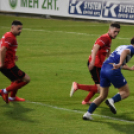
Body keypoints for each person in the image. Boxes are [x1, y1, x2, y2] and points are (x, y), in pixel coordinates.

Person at [83, 37, 134, 120]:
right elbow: (124, 54)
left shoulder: (122, 46)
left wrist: (129, 68)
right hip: (113, 70)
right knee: (125, 92)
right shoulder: (131, 48)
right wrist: (120, 63)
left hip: (104, 68)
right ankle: (112, 101)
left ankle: (87, 114)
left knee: (103, 95)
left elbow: (117, 59)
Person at [70, 23, 120, 105]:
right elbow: (96, 47)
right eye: (115, 31)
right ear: (109, 30)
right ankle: (77, 86)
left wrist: (112, 61)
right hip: (95, 65)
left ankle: (86, 101)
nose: (116, 34)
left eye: (118, 32)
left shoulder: (109, 39)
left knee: (99, 85)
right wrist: (92, 61)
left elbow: (107, 52)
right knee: (100, 89)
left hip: (99, 65)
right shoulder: (105, 38)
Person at [0, 20, 30, 103]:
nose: (20, 31)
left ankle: (12, 98)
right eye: (18, 28)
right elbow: (2, 50)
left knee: (16, 80)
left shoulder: (8, 35)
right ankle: (4, 91)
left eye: (21, 29)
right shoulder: (10, 37)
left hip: (9, 63)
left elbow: (4, 48)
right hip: (7, 65)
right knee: (26, 79)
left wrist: (13, 56)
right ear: (12, 27)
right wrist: (2, 63)